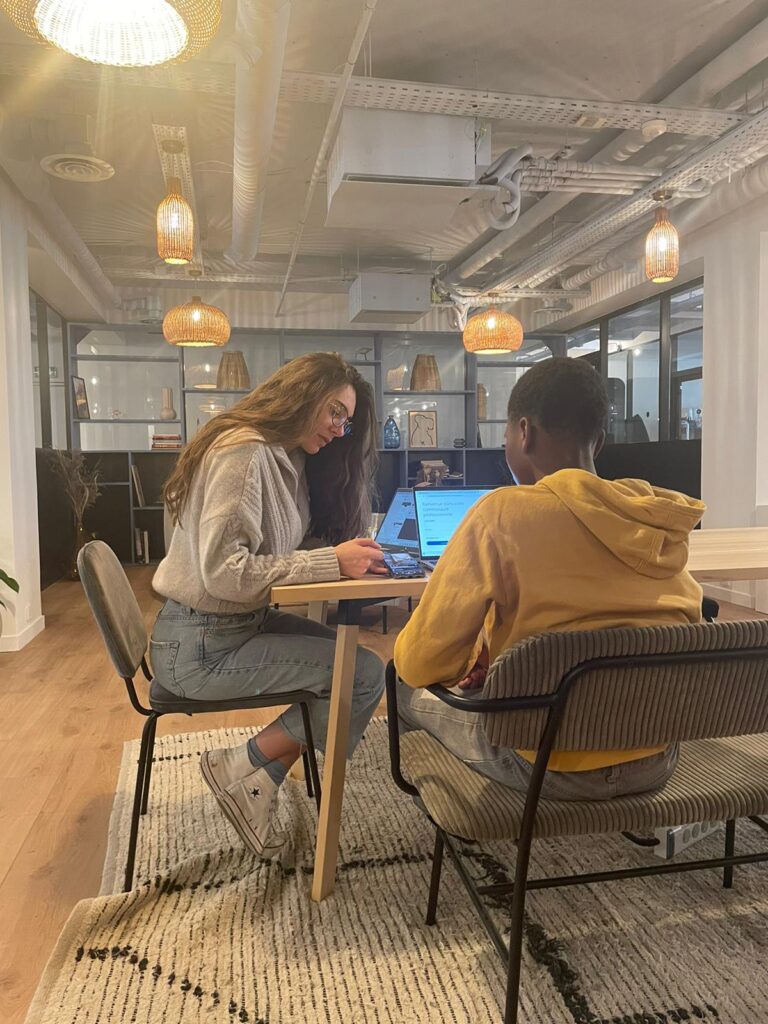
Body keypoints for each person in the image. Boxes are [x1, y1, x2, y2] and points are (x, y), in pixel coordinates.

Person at [394, 357, 705, 801]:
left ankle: (458, 813)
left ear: (524, 432)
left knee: (403, 685)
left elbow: (422, 663)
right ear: (597, 443)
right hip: (656, 756)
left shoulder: (502, 514)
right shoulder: (657, 522)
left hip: (543, 761)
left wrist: (470, 665)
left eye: (505, 435)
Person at [151, 352, 387, 858]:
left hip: (233, 626)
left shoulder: (287, 458)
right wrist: (330, 562)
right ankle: (244, 764)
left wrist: (345, 555)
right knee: (361, 676)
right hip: (200, 647)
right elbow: (225, 572)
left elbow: (271, 553)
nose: (340, 429)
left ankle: (257, 778)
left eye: (346, 420)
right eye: (335, 413)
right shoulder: (244, 452)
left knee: (361, 668)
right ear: (301, 395)